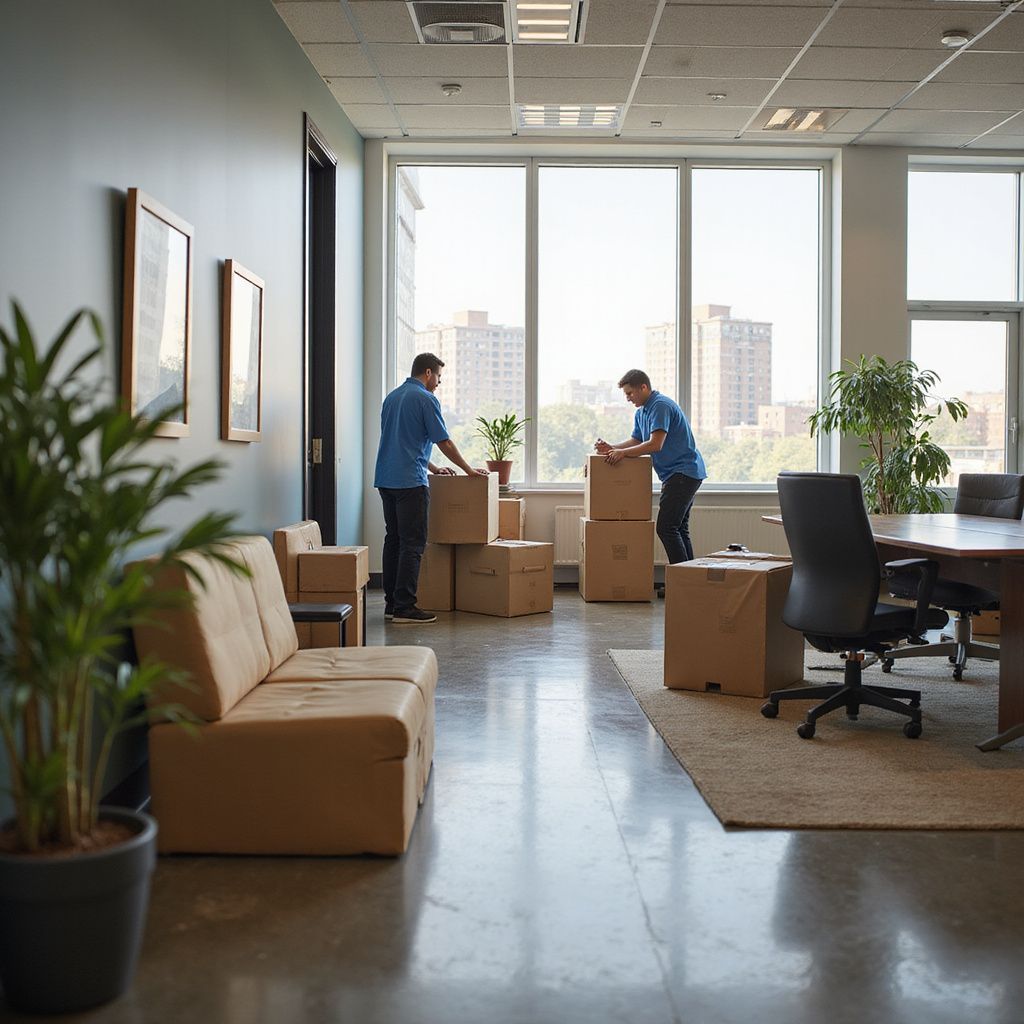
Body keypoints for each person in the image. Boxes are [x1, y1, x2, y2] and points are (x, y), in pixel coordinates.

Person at [374, 352, 486, 624]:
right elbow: (443, 441)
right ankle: (405, 607)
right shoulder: (426, 399)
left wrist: (433, 468)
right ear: (427, 373)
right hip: (410, 482)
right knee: (412, 545)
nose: (438, 383)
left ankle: (391, 604)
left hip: (386, 479)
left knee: (394, 541)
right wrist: (469, 470)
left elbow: (405, 441)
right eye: (438, 377)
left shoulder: (392, 398)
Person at [595, 369, 706, 564]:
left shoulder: (660, 406)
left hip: (683, 472)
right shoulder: (642, 412)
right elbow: (636, 440)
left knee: (667, 528)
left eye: (630, 393)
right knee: (679, 528)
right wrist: (612, 447)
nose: (628, 398)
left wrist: (622, 454)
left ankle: (682, 581)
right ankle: (689, 580)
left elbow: (655, 444)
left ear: (643, 387)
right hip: (680, 474)